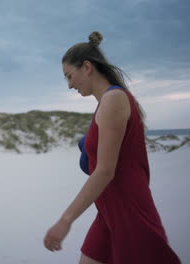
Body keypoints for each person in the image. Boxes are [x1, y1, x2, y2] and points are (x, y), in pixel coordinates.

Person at [43, 32, 181, 264]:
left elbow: (106, 171)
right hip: (108, 212)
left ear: (86, 67)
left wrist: (65, 220)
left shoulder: (114, 100)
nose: (69, 85)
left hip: (129, 210)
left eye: (69, 76)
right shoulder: (104, 103)